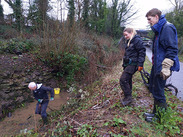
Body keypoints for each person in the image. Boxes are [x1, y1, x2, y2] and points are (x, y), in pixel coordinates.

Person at [144, 8, 180, 122]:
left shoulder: (167, 28)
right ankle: (155, 114)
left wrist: (166, 66)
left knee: (159, 91)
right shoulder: (159, 29)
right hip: (157, 65)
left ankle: (160, 118)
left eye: (150, 19)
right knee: (154, 89)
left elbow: (173, 49)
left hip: (163, 66)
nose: (149, 22)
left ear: (156, 17)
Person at [120, 28, 146, 106]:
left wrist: (140, 64)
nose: (125, 37)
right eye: (124, 35)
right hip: (128, 64)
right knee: (128, 79)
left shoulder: (137, 40)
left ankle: (128, 97)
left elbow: (142, 52)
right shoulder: (129, 41)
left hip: (133, 64)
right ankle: (128, 95)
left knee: (123, 79)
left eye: (126, 35)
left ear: (131, 33)